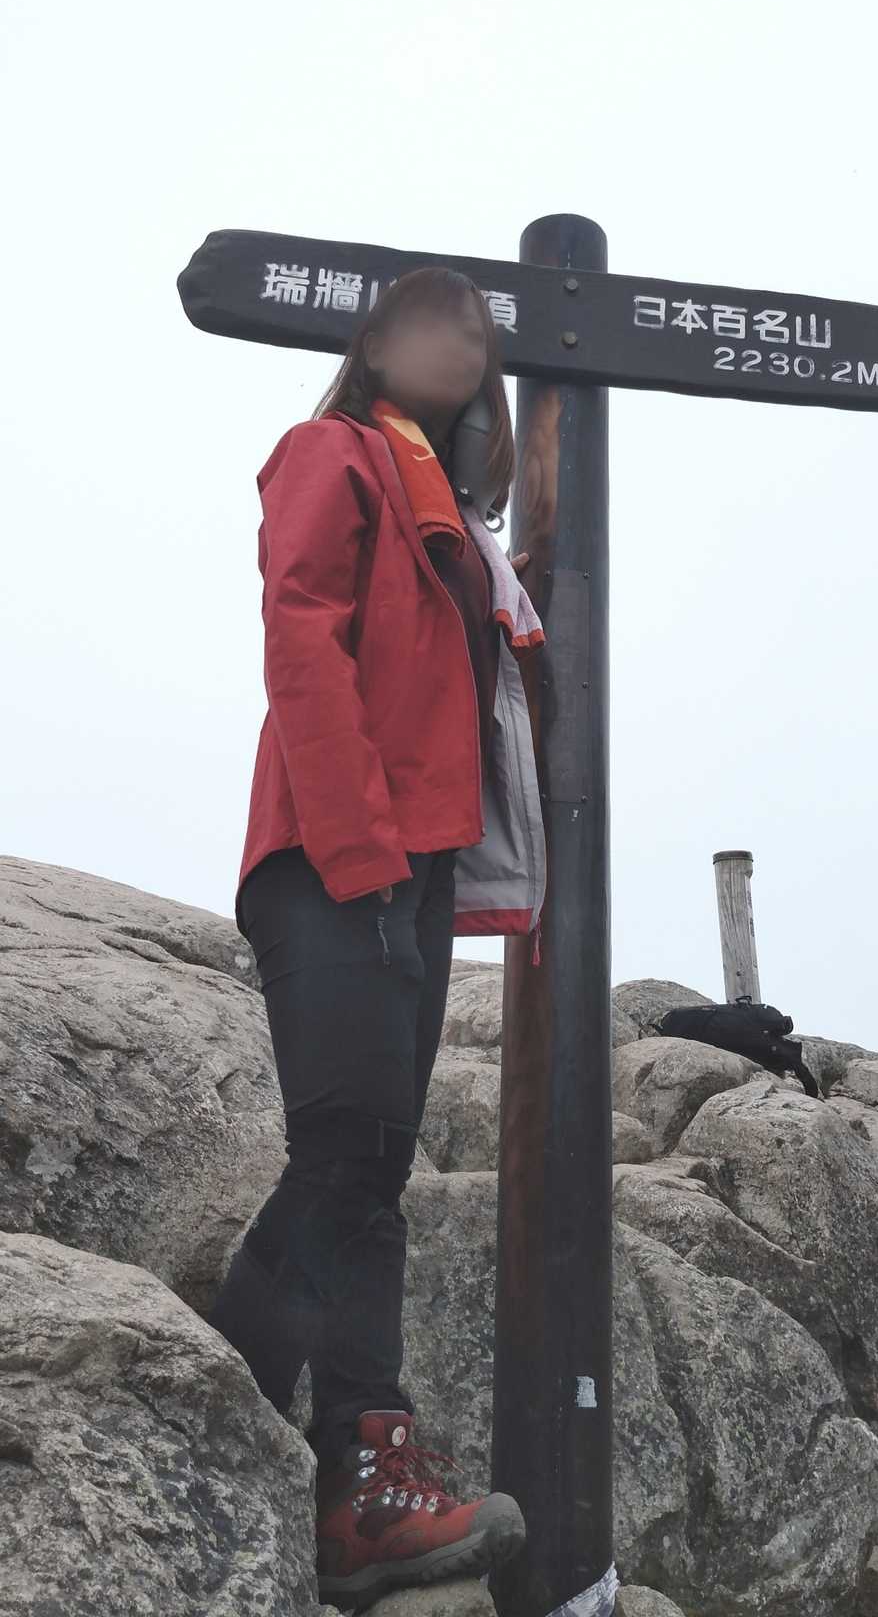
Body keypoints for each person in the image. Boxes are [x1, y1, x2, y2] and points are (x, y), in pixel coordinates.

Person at [208, 267, 547, 1612]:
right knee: (345, 1149)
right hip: (331, 854)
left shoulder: (463, 532)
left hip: (415, 871)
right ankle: (221, 1405)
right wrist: (360, 863)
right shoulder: (334, 453)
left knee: (376, 1175)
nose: (461, 353)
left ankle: (366, 1472)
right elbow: (302, 642)